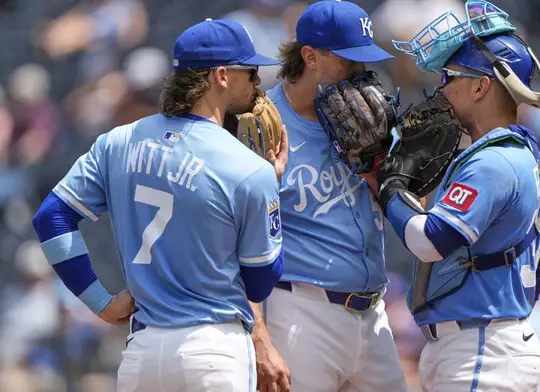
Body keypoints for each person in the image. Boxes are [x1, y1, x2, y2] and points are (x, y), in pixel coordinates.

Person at [31, 18, 288, 392]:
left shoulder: (117, 141)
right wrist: (270, 191)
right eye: (248, 71)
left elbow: (51, 217)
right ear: (220, 76)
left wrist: (99, 300)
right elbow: (260, 282)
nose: (257, 80)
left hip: (143, 353)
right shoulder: (249, 168)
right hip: (214, 350)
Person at [377, 1, 540, 391]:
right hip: (490, 339)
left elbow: (431, 241)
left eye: (449, 76)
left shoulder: (493, 163)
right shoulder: (527, 158)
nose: (441, 88)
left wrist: (388, 188)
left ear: (481, 85)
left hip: (482, 347)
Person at [248, 1, 409, 391]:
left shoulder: (371, 123)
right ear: (310, 57)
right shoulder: (260, 127)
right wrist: (259, 336)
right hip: (300, 310)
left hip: (373, 312)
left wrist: (380, 170)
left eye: (364, 63)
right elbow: (235, 240)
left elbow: (398, 210)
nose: (360, 74)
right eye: (349, 62)